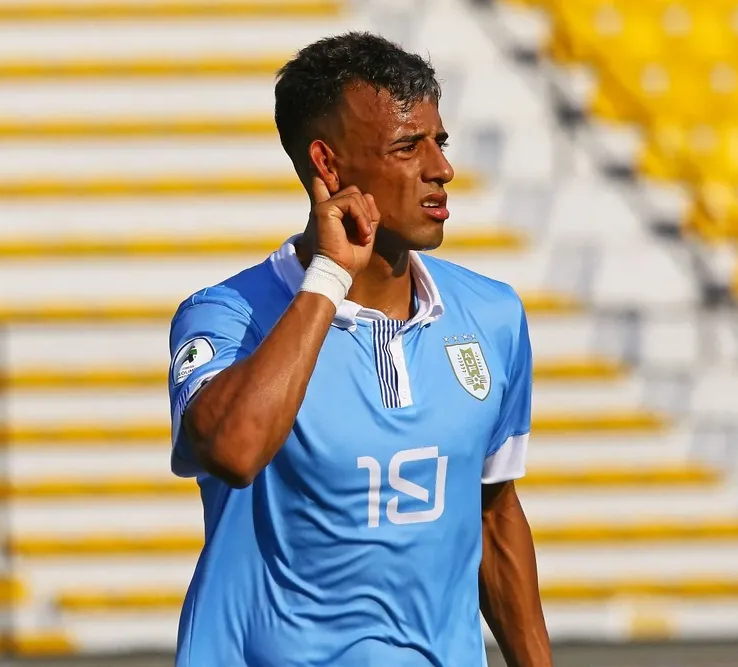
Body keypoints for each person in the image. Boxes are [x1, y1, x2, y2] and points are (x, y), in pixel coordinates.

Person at [167, 31, 552, 667]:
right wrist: (328, 279)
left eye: (440, 141)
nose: (441, 169)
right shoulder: (227, 317)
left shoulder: (493, 315)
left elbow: (493, 512)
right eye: (409, 146)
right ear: (329, 164)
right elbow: (233, 452)